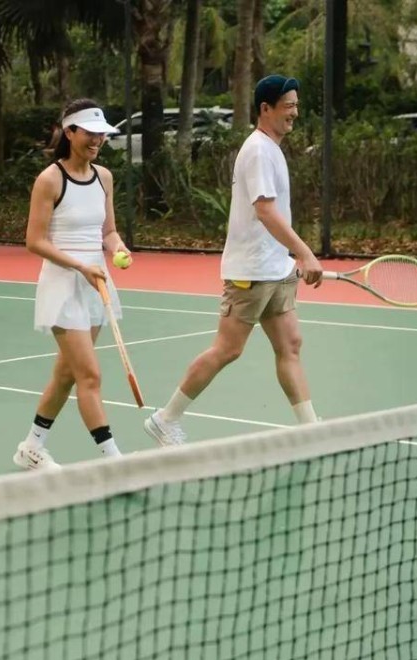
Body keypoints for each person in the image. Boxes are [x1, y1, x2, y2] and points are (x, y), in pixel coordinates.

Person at [144, 74, 323, 447]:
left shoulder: (272, 148)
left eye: (296, 104)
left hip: (275, 268)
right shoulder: (257, 150)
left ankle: (311, 430)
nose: (295, 112)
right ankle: (165, 419)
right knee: (228, 349)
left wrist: (288, 257)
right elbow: (265, 211)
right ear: (265, 108)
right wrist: (305, 252)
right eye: (288, 105)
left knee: (290, 344)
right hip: (251, 271)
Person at [13, 98, 132, 471]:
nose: (97, 140)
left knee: (67, 373)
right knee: (89, 375)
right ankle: (114, 462)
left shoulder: (104, 177)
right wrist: (80, 266)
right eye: (90, 134)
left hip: (95, 284)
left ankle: (31, 446)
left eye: (102, 134)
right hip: (63, 287)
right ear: (70, 132)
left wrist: (117, 248)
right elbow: (35, 241)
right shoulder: (50, 179)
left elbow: (108, 231)